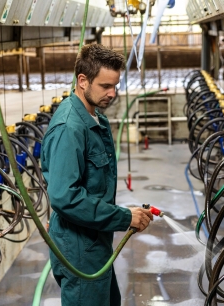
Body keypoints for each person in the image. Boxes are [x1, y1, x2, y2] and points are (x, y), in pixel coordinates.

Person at [41, 43, 154, 306]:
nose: (113, 93)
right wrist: (124, 217)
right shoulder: (70, 128)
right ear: (83, 81)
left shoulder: (94, 119)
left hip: (93, 240)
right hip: (79, 246)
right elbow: (65, 197)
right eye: (105, 86)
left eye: (115, 85)